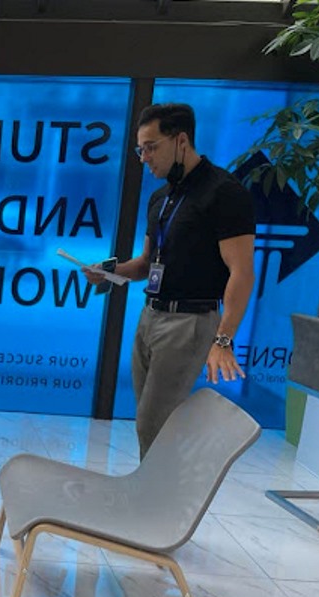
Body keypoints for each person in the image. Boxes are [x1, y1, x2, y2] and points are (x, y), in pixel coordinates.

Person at [84, 103, 255, 458]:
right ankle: (157, 488)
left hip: (189, 322)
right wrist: (108, 271)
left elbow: (242, 271)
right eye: (140, 149)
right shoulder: (161, 197)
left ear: (181, 141)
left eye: (151, 147)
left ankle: (156, 492)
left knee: (153, 424)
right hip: (151, 316)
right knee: (151, 424)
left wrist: (223, 340)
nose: (144, 158)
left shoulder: (223, 192)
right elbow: (147, 264)